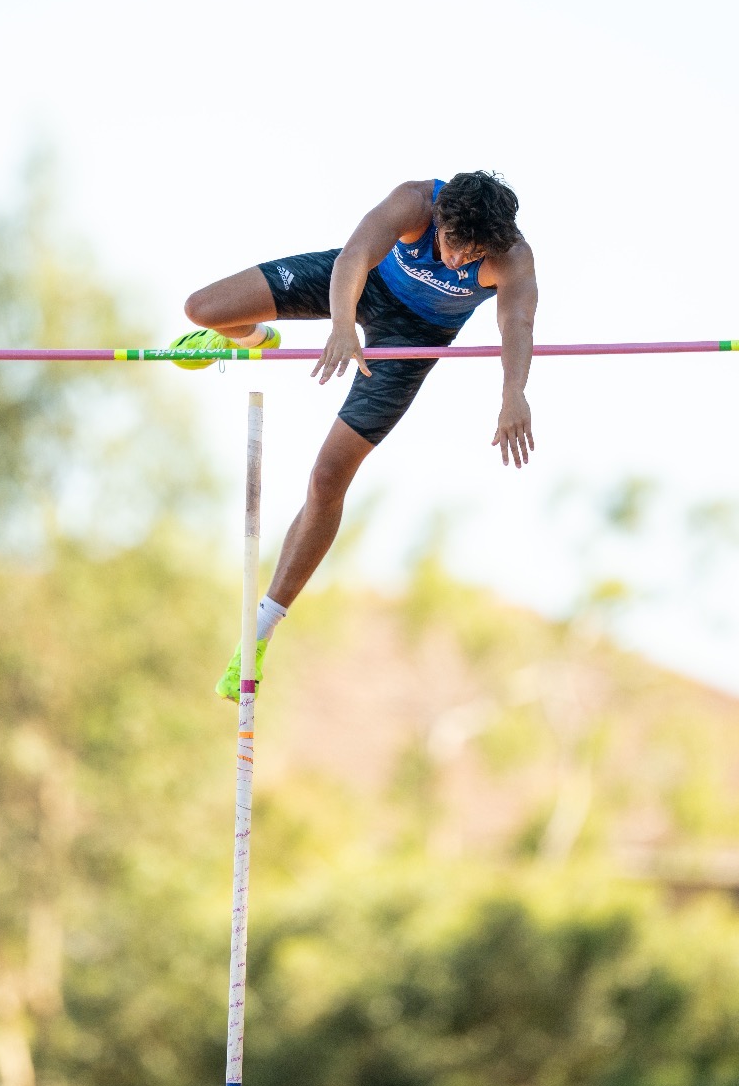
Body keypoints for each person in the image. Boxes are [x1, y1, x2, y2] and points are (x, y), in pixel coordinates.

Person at [172, 171, 538, 699]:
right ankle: (254, 340)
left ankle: (260, 633)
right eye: (454, 244)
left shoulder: (512, 256)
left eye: (472, 254)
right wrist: (342, 325)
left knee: (327, 478)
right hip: (362, 284)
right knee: (203, 310)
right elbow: (352, 258)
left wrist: (513, 394)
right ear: (439, 219)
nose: (459, 260)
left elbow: (516, 324)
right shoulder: (415, 202)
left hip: (415, 336)